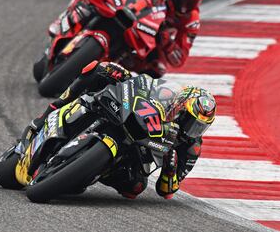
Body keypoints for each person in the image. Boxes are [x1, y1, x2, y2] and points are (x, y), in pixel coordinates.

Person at [26, 61, 217, 199]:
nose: (193, 129)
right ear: (180, 107)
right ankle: (49, 114)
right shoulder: (167, 94)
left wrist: (170, 171)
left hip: (138, 153)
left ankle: (88, 172)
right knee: (98, 69)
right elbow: (144, 83)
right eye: (190, 120)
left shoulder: (192, 147)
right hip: (127, 118)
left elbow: (167, 192)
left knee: (135, 187)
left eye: (200, 126)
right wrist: (123, 74)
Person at [48, 0, 205, 77]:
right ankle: (65, 19)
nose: (186, 5)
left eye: (193, 1)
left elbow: (179, 59)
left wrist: (166, 42)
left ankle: (110, 76)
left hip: (151, 39)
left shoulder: (191, 21)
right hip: (132, 15)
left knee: (158, 69)